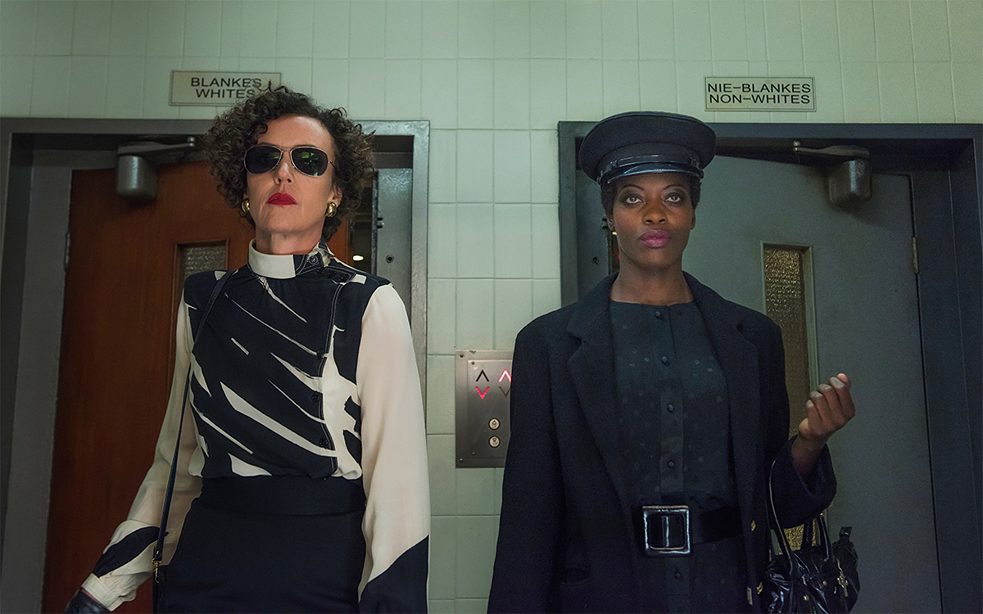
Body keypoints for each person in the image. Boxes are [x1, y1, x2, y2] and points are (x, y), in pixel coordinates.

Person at [65, 87, 429, 613]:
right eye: (265, 159)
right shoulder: (204, 300)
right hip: (204, 570)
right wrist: (102, 590)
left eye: (308, 161)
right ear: (245, 185)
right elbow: (175, 466)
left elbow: (398, 487)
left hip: (321, 576)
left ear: (334, 192)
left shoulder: (368, 303)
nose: (284, 173)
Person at [488, 111, 855, 613]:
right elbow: (528, 519)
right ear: (610, 215)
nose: (655, 214)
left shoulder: (753, 338)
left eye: (674, 197)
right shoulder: (549, 345)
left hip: (724, 590)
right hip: (602, 597)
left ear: (693, 214)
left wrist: (809, 443)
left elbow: (772, 503)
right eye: (633, 198)